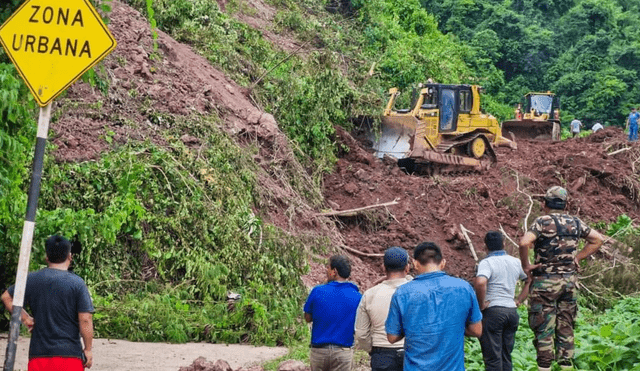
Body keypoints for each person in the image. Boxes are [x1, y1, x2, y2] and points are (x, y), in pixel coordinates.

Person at [519, 186, 604, 371]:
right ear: (566, 204)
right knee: (566, 324)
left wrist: (526, 266)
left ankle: (544, 366)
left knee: (543, 327)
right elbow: (597, 239)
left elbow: (524, 242)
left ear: (544, 204)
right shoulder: (575, 222)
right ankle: (566, 365)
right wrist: (577, 257)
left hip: (545, 283)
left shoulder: (542, 221)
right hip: (569, 282)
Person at [1, 235, 94, 371]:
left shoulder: (31, 279)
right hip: (69, 356)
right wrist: (88, 349)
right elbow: (85, 319)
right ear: (69, 256)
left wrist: (26, 318)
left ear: (47, 257)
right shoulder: (77, 284)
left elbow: (6, 297)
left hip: (39, 355)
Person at [386, 242, 482, 371]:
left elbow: (392, 337)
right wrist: (453, 327)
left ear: (414, 263)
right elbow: (477, 330)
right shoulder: (464, 288)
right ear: (443, 263)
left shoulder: (402, 293)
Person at [474, 231, 531, 371]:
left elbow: (481, 282)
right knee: (506, 356)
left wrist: (481, 304)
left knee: (493, 359)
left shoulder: (486, 263)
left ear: (485, 246)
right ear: (504, 244)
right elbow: (530, 281)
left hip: (493, 311)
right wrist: (519, 300)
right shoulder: (516, 262)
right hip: (511, 312)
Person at [355, 247, 412, 371]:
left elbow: (361, 333)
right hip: (413, 353)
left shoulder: (370, 294)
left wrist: (374, 350)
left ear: (383, 267)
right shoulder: (419, 292)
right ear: (407, 268)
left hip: (382, 355)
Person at [304, 255, 362, 371]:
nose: (326, 270)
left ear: (334, 272)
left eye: (328, 268)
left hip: (319, 351)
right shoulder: (357, 296)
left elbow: (307, 318)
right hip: (343, 352)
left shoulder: (318, 291)